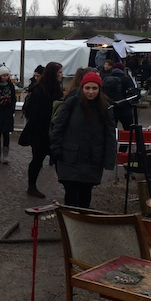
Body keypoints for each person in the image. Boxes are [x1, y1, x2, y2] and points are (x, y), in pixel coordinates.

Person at [50, 72, 116, 208]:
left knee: (86, 193)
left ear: (99, 89)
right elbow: (58, 128)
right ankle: (70, 218)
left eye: (94, 88)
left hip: (93, 158)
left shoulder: (105, 107)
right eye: (87, 88)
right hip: (70, 157)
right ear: (82, 88)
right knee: (71, 193)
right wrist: (55, 150)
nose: (91, 92)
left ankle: (82, 218)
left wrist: (109, 159)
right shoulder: (72, 103)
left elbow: (110, 134)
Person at [21, 62, 64, 198]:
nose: (62, 75)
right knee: (37, 159)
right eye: (59, 72)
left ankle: (68, 187)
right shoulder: (40, 90)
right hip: (40, 131)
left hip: (52, 130)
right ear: (53, 74)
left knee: (57, 158)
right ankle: (31, 186)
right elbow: (33, 111)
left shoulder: (56, 88)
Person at [103, 62, 136, 130]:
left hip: (111, 107)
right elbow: (133, 91)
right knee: (128, 129)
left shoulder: (106, 79)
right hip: (125, 108)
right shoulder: (126, 79)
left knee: (111, 129)